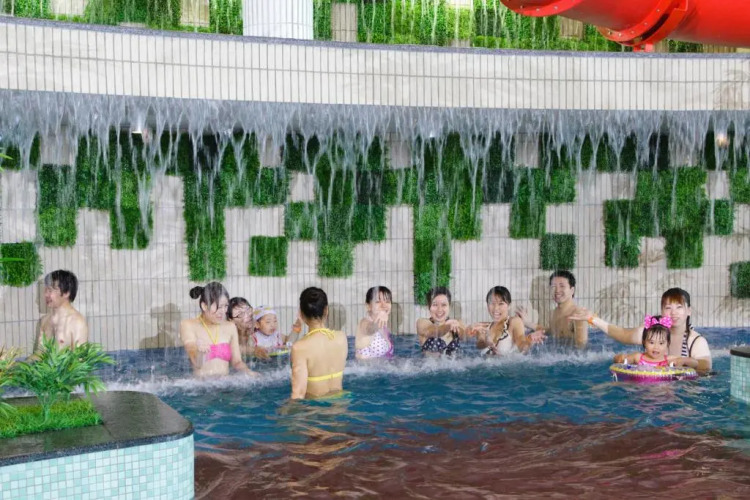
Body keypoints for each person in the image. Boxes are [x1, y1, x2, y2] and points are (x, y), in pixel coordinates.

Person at [572, 288, 711, 374]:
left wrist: (685, 361)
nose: (673, 313)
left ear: (688, 311)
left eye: (679, 307)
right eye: (668, 308)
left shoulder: (695, 341)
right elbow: (622, 334)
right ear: (662, 311)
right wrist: (592, 319)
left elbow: (706, 366)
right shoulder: (651, 332)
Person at [180, 282, 255, 377]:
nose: (223, 312)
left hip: (225, 383)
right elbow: (193, 356)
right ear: (204, 306)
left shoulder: (230, 326)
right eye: (219, 307)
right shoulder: (188, 325)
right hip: (202, 384)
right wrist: (199, 351)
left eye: (226, 306)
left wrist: (249, 372)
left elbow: (237, 362)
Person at [290, 287, 348, 399]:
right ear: (326, 310)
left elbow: (298, 393)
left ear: (301, 314)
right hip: (340, 402)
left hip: (315, 406)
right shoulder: (341, 338)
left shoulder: (300, 347)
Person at [521, 270, 588, 349]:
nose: (557, 290)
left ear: (572, 290)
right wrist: (528, 323)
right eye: (553, 286)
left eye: (562, 286)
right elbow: (550, 331)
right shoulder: (554, 312)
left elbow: (582, 347)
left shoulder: (578, 314)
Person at [471, 286, 546, 356]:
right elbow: (479, 344)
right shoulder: (483, 327)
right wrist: (487, 342)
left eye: (501, 304)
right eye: (492, 303)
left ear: (509, 306)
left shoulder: (514, 322)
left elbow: (522, 346)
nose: (496, 308)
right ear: (487, 306)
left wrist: (529, 340)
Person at [613, 315, 698, 368]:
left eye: (661, 343)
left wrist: (683, 361)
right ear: (644, 342)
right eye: (651, 342)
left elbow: (695, 363)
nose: (656, 347)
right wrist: (621, 358)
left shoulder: (669, 360)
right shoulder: (638, 358)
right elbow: (618, 359)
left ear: (667, 344)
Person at [34, 270, 89, 351]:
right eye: (45, 290)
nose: (46, 295)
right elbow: (39, 353)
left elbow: (79, 357)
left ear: (66, 293)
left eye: (50, 290)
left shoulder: (77, 322)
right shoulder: (44, 321)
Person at [416, 287, 473, 356]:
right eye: (435, 305)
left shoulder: (457, 323)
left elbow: (465, 336)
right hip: (428, 363)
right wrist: (448, 326)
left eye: (444, 305)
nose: (439, 310)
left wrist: (474, 330)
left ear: (449, 306)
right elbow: (434, 331)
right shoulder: (422, 323)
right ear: (429, 306)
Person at [355, 286, 395, 360]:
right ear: (368, 306)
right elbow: (370, 329)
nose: (384, 305)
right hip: (366, 367)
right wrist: (377, 323)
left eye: (387, 301)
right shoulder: (364, 323)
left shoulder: (384, 327)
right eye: (378, 301)